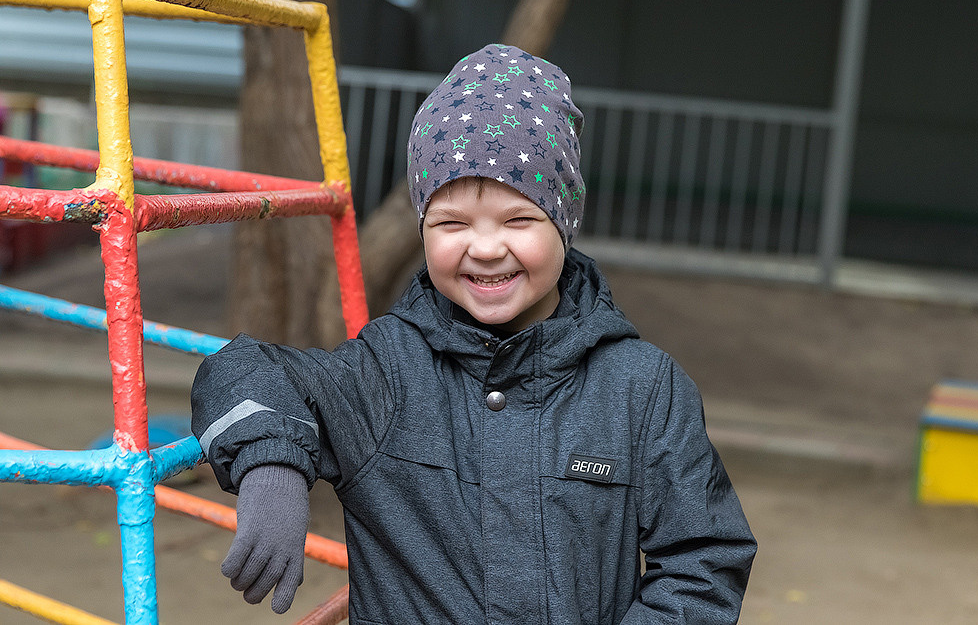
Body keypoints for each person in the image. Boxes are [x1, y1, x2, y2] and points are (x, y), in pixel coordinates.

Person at [191, 43, 756, 623]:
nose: (485, 248)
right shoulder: (385, 373)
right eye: (452, 222)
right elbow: (242, 369)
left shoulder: (643, 389)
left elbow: (704, 561)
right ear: (422, 228)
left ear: (564, 222)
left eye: (519, 219)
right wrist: (272, 465)